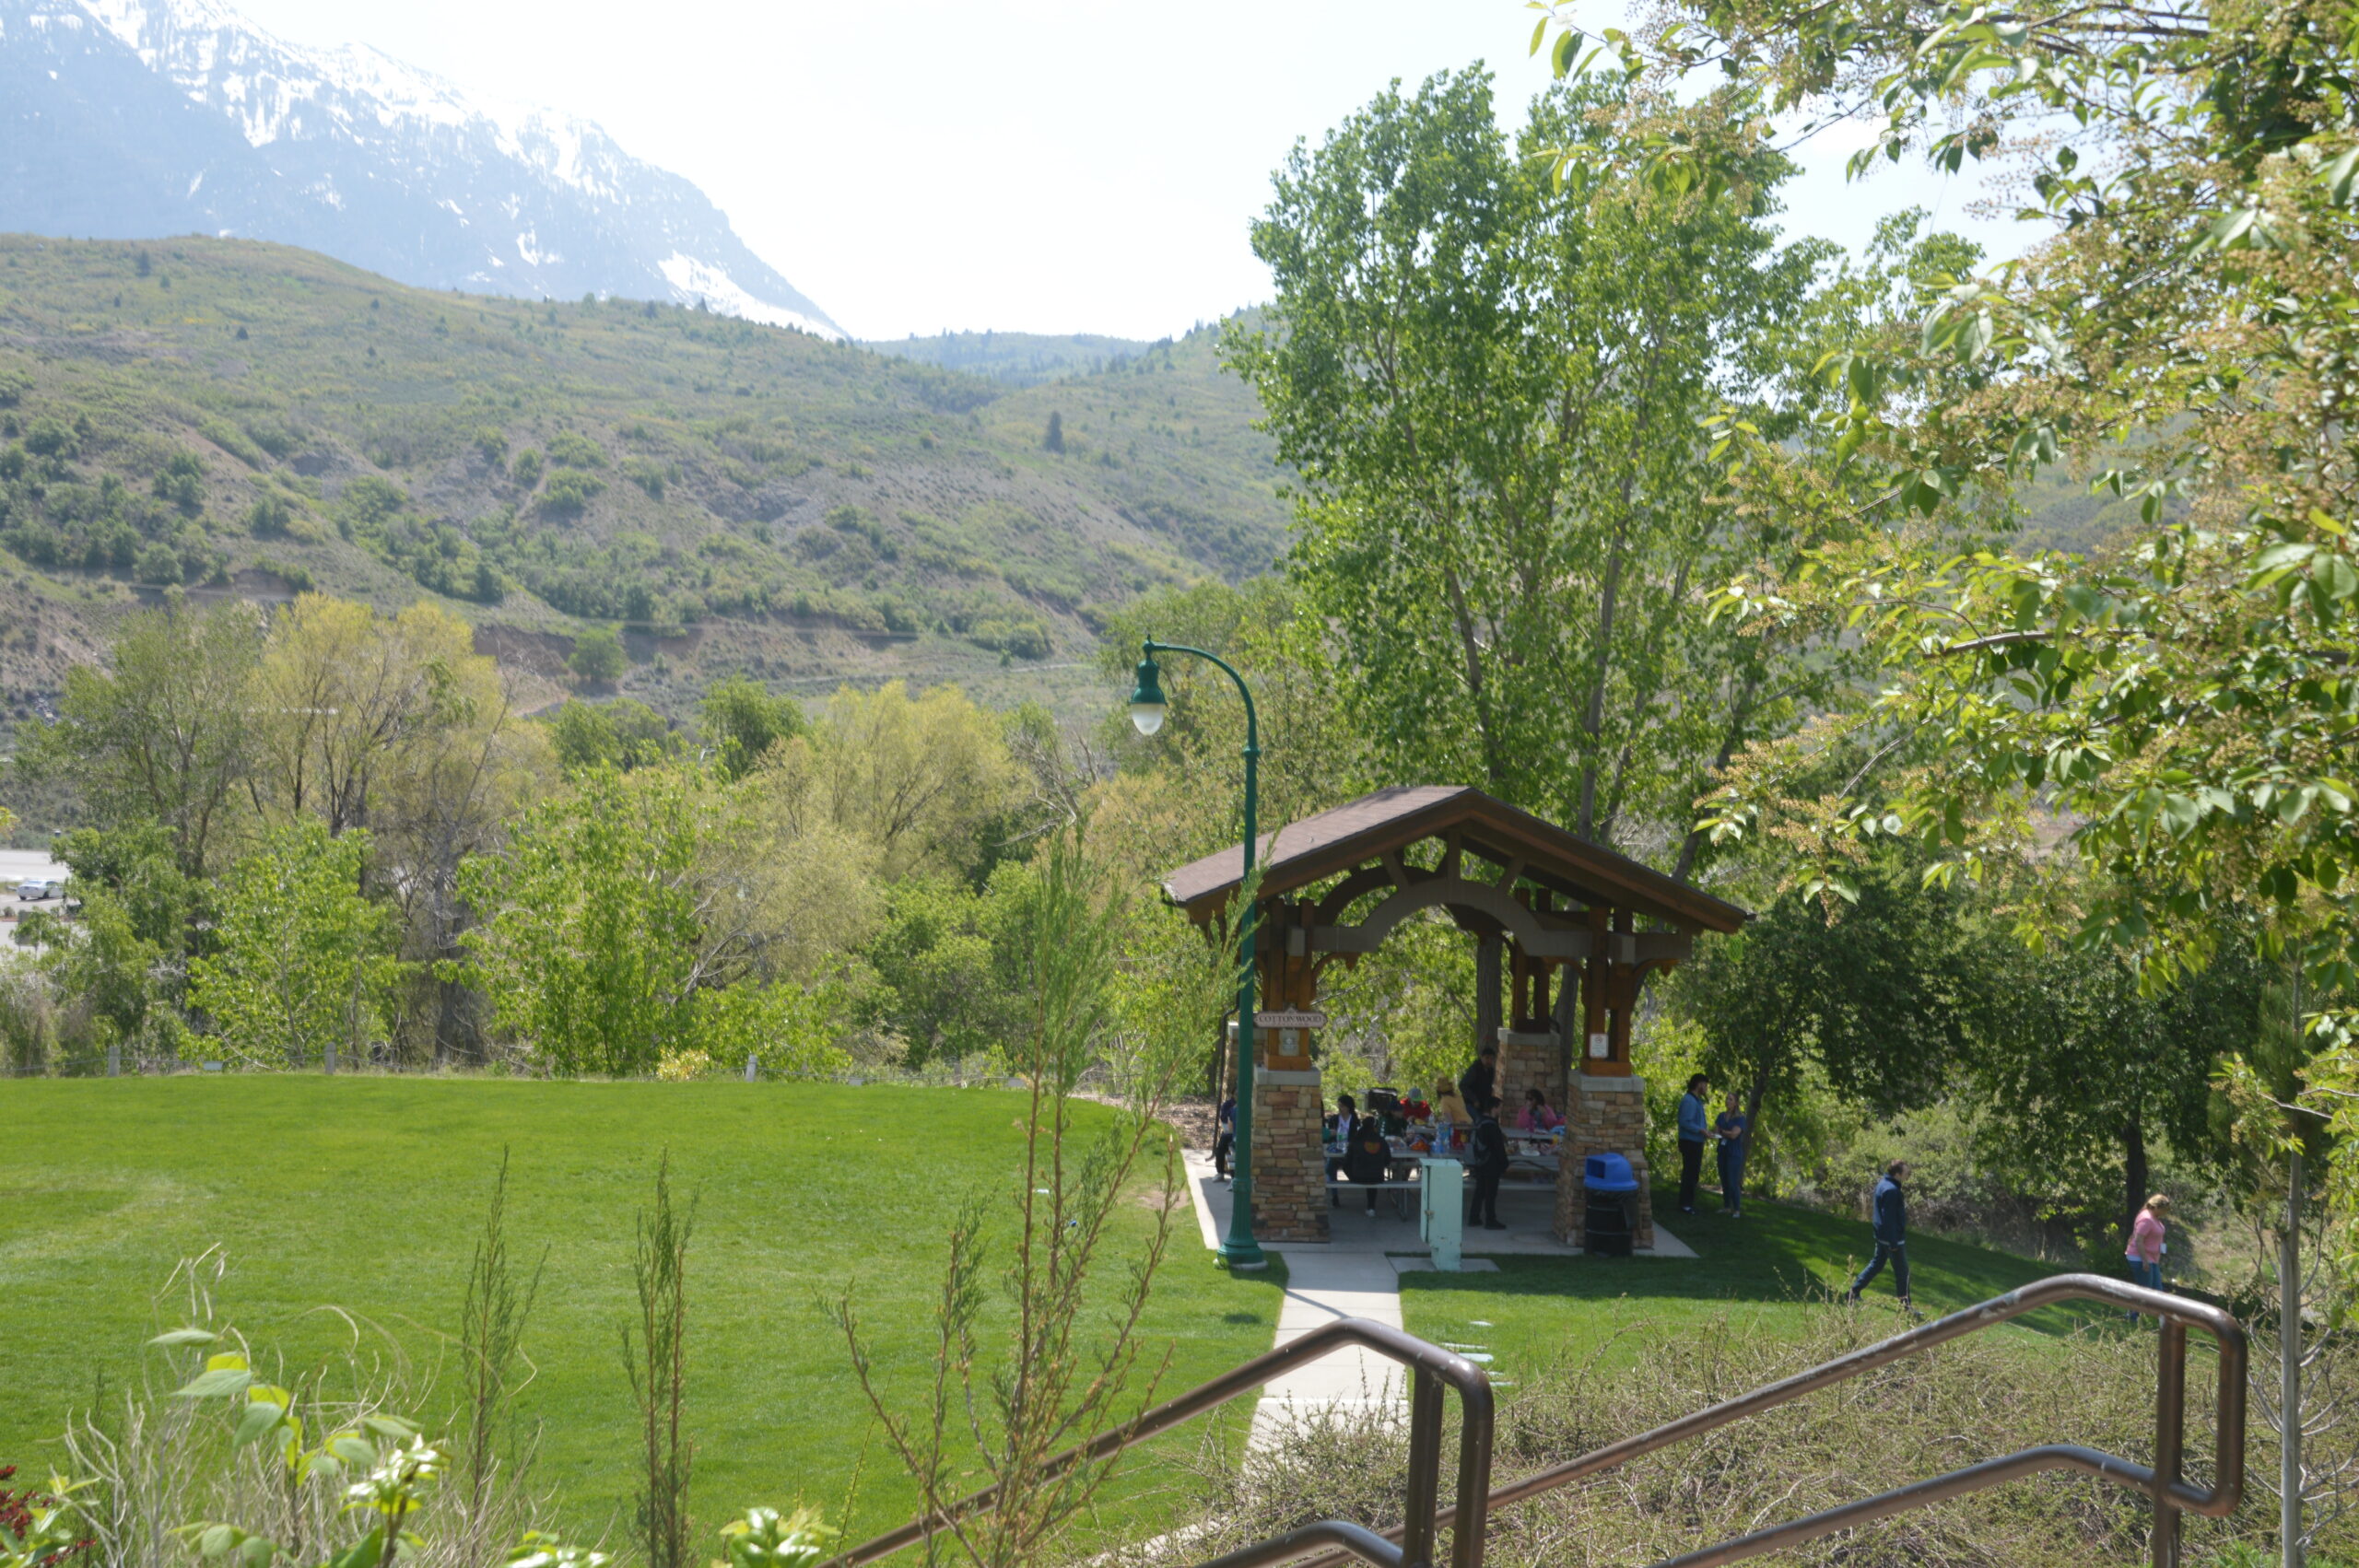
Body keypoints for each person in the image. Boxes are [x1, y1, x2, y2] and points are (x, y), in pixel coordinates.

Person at [1847, 1160, 1914, 1309]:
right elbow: (1888, 1218)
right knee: (1903, 1273)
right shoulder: (1891, 1190)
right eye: (1906, 1172)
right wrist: (1894, 1242)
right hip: (1891, 1239)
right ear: (1897, 1174)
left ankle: (1853, 1292)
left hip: (1881, 1236)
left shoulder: (1883, 1183)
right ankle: (1906, 1307)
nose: (1908, 1175)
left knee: (1876, 1265)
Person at [2125, 1193, 2172, 1323]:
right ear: (2157, 1207)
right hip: (2140, 1258)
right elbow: (2139, 1240)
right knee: (2145, 1290)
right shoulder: (2146, 1218)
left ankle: (2162, 1320)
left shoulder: (2154, 1217)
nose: (2164, 1213)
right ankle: (2132, 1316)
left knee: (2157, 1290)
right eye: (2164, 1210)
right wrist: (2145, 1261)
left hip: (2152, 1259)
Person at [1466, 1094, 1509, 1231]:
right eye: (1499, 1108)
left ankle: (1474, 1217)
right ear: (1493, 1108)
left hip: (1480, 1161)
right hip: (1491, 1163)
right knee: (1491, 1193)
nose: (1500, 1111)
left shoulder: (1479, 1122)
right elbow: (1498, 1147)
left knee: (1480, 1191)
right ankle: (1490, 1220)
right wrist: (1505, 1163)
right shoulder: (1491, 1125)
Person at [1341, 1106, 1391, 1213]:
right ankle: (1371, 1207)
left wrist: (1351, 1172)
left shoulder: (1356, 1140)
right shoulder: (1381, 1141)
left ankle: (1370, 1208)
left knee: (1362, 1169)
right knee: (1372, 1173)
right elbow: (1388, 1161)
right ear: (1375, 1127)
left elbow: (1347, 1161)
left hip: (1357, 1177)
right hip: (1377, 1177)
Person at [1676, 1073, 1710, 1214]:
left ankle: (1688, 1203)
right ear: (1699, 1084)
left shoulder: (1697, 1101)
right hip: (1690, 1142)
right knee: (1690, 1173)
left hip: (1696, 1141)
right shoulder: (1689, 1101)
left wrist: (1706, 1132)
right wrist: (1701, 1130)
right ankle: (1685, 1205)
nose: (1706, 1088)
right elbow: (1685, 1122)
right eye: (1705, 1085)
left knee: (1693, 1173)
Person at [1714, 1092, 1750, 1216]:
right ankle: (1726, 1206)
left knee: (1732, 1180)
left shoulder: (1740, 1118)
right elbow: (1715, 1131)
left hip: (1734, 1153)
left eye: (1730, 1099)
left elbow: (1734, 1135)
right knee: (1724, 1179)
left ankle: (1737, 1209)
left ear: (1736, 1103)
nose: (1727, 1101)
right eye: (1727, 1099)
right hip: (1722, 1151)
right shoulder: (1721, 1116)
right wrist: (1725, 1133)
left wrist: (1723, 1132)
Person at [1325, 1094, 1362, 1205]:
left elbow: (1356, 1137)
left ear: (1348, 1107)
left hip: (1350, 1149)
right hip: (1337, 1146)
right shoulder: (1334, 1119)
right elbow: (1330, 1135)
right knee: (1331, 1166)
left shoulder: (1355, 1120)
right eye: (1339, 1106)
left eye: (1342, 1106)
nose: (1340, 1108)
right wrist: (1332, 1134)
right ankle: (1334, 1195)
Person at [1459, 1043, 1499, 1112]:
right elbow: (1462, 1085)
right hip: (1470, 1105)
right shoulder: (1474, 1069)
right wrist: (1474, 1099)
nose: (1489, 1061)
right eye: (1487, 1058)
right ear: (1481, 1057)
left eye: (1491, 1059)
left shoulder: (1490, 1071)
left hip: (1483, 1105)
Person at [1214, 1094, 1236, 1182]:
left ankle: (1234, 1177)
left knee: (1234, 1151)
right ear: (1232, 1095)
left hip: (1238, 1133)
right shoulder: (1228, 1104)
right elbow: (1223, 1117)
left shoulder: (1246, 1103)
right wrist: (1233, 1109)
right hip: (1228, 1133)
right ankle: (1220, 1173)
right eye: (1236, 1094)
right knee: (1220, 1149)